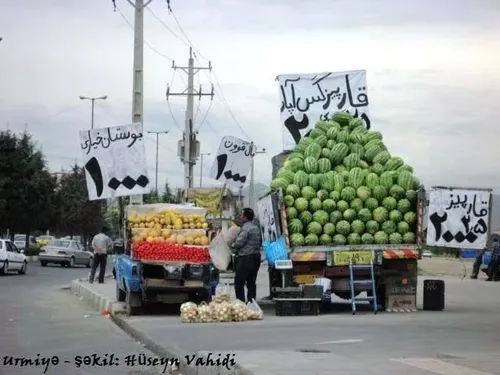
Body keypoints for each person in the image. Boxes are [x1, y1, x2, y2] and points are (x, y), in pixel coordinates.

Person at [231, 208, 262, 303]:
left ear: (245, 217)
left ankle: (240, 304)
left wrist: (232, 245)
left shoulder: (246, 228)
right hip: (256, 258)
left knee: (239, 282)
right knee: (251, 283)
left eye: (242, 216)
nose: (241, 217)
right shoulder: (256, 228)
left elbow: (239, 243)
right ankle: (251, 303)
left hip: (246, 259)